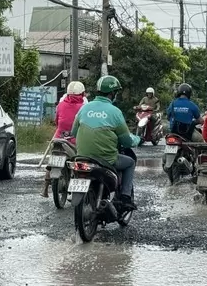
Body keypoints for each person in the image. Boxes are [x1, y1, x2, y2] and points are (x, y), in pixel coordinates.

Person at [72, 75, 141, 209]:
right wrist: (137, 139)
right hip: (106, 159)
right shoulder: (115, 112)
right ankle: (126, 197)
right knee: (130, 163)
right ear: (113, 93)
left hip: (83, 157)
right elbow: (126, 141)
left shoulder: (84, 108)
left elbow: (74, 132)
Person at [42, 81, 87, 197]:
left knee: (51, 161)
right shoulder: (84, 108)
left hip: (59, 138)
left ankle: (45, 188)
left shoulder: (60, 105)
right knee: (83, 162)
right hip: (75, 140)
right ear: (82, 94)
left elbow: (56, 122)